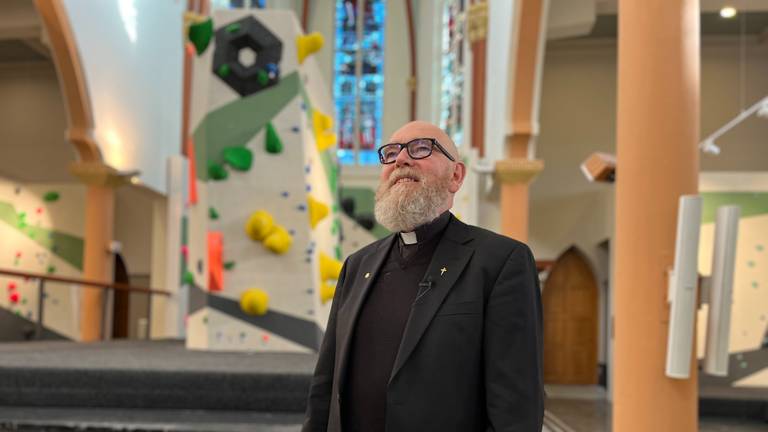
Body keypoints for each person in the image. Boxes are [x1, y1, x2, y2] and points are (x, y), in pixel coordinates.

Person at [302, 121, 544, 432]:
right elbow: (325, 387)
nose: (401, 159)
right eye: (390, 153)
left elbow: (516, 405)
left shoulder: (499, 262)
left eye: (421, 148)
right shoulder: (357, 265)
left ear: (456, 176)